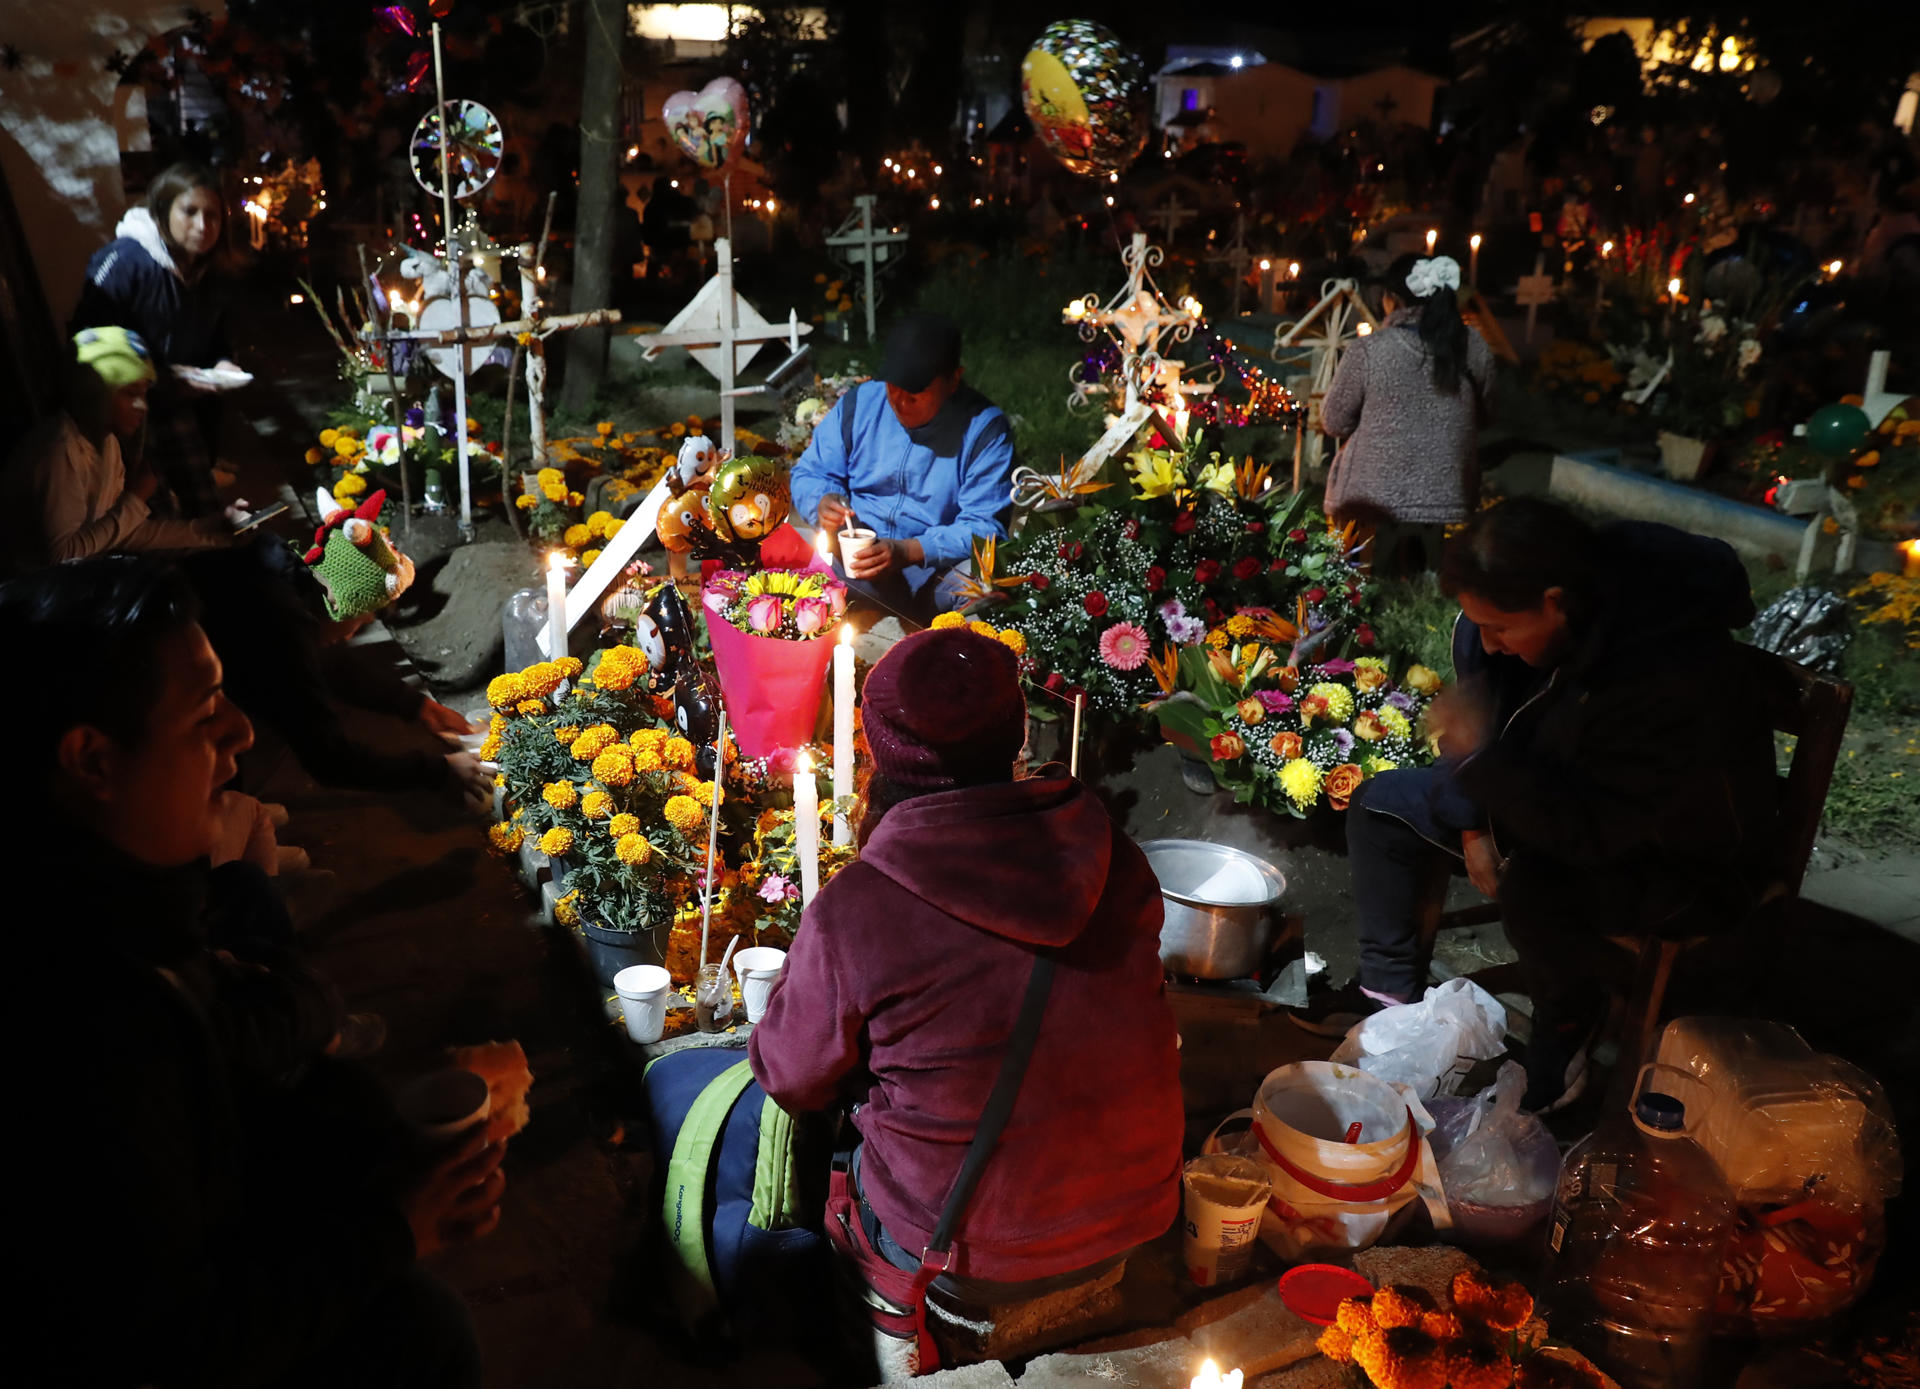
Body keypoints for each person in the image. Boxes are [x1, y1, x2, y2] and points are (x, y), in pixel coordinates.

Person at [9, 556, 502, 1387]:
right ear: (92, 760)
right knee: (423, 1334)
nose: (241, 730)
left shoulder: (120, 913)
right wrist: (393, 1227)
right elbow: (169, 1342)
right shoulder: (83, 1024)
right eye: (205, 710)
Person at [749, 626, 1182, 1376]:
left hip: (972, 1246)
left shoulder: (861, 909)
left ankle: (880, 1331)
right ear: (1016, 733)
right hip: (1138, 1207)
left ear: (882, 753)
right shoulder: (1112, 853)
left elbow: (789, 1074)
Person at [1319, 499, 1776, 1112]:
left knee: (1534, 888)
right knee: (1383, 804)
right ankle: (1388, 1003)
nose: (1490, 645)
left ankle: (1565, 1027)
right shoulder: (1531, 621)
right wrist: (1475, 825)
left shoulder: (1664, 676)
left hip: (1674, 861)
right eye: (1475, 623)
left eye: (1500, 629)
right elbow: (1496, 717)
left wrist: (1482, 767)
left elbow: (1590, 831)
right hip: (1544, 799)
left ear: (1555, 600)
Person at [788, 313, 1015, 622]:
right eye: (893, 387)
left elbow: (986, 528)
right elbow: (811, 472)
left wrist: (909, 551)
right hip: (856, 567)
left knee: (988, 580)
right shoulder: (861, 404)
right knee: (781, 557)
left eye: (915, 393)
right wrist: (822, 500)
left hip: (935, 575)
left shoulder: (984, 430)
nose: (899, 401)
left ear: (953, 380)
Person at [71, 162, 244, 519]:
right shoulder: (125, 262)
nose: (202, 225)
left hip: (182, 408)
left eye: (212, 215)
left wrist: (224, 363)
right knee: (146, 515)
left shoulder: (210, 273)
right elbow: (91, 342)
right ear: (163, 210)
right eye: (190, 211)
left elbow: (218, 339)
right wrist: (163, 379)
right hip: (127, 415)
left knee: (204, 508)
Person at [2, 326, 232, 571]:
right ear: (93, 392)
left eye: (143, 394)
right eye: (130, 392)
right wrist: (135, 499)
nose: (141, 406)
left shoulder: (107, 443)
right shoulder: (59, 452)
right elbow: (62, 557)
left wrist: (216, 531)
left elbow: (119, 532)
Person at [1322, 253, 1496, 572]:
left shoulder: (1371, 350)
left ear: (1392, 300)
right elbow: (1484, 416)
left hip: (1371, 496)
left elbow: (1333, 422)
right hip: (1450, 494)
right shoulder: (1476, 347)